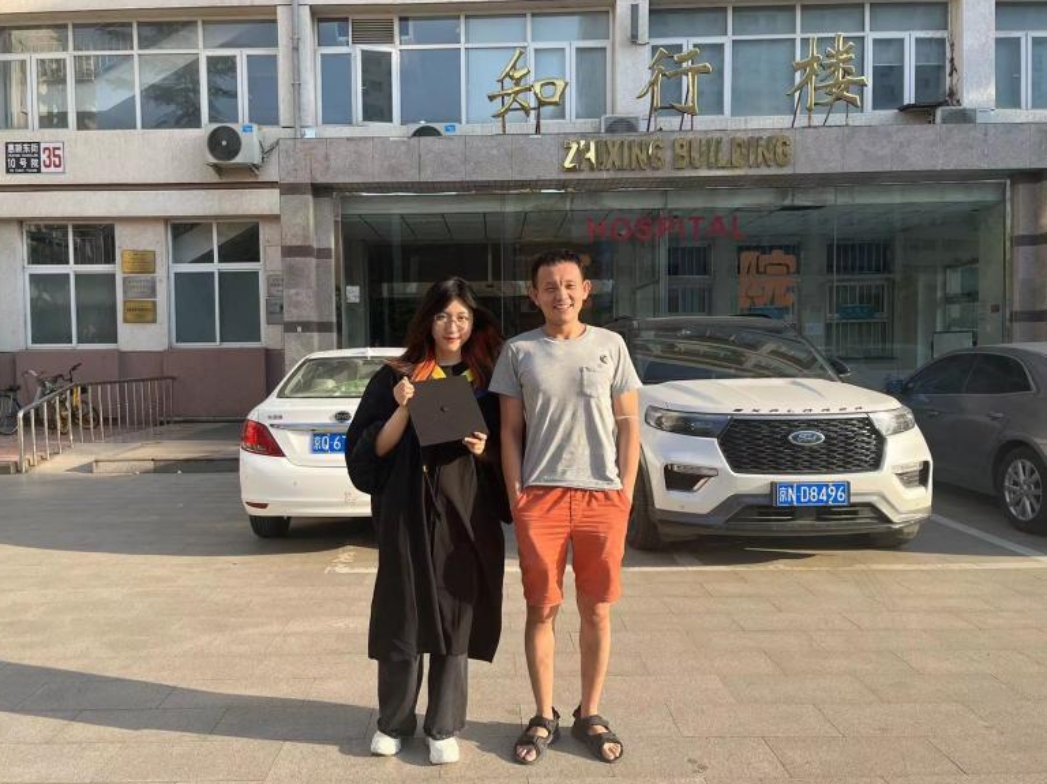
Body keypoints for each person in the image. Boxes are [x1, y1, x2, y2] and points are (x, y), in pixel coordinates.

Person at [345, 277, 509, 765]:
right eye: (442, 316)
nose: (452, 326)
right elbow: (370, 452)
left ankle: (443, 725)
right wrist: (402, 407)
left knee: (454, 613)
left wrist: (483, 451)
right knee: (403, 612)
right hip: (407, 511)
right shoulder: (395, 376)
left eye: (461, 317)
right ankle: (393, 722)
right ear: (428, 321)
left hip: (464, 513)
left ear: (473, 322)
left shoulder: (488, 382)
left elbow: (507, 453)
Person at [489, 250, 641, 765]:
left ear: (586, 290)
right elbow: (509, 430)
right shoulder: (519, 351)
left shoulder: (611, 346)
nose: (561, 294)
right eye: (550, 287)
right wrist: (518, 494)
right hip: (543, 497)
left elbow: (628, 424)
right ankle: (542, 713)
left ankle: (590, 712)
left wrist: (626, 493)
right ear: (534, 294)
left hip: (603, 495)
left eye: (570, 284)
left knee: (597, 608)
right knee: (541, 607)